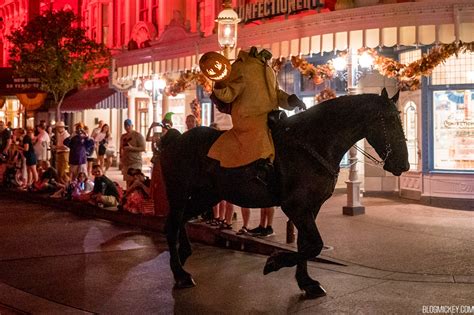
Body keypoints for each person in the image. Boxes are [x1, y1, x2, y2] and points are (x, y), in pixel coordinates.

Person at [204, 47, 305, 168]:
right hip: (249, 120)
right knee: (261, 140)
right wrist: (220, 82)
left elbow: (276, 93)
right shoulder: (240, 67)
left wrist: (290, 100)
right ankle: (256, 172)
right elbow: (228, 95)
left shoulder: (268, 69)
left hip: (273, 118)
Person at [147, 113, 173, 216]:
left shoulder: (171, 135)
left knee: (164, 185)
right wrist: (150, 128)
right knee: (156, 185)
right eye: (163, 124)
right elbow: (147, 139)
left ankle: (165, 209)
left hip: (165, 163)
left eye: (167, 124)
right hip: (157, 162)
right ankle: (157, 208)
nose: (164, 126)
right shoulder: (157, 135)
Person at [119, 119, 146, 189]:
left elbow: (143, 148)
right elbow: (121, 148)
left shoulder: (138, 135)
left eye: (128, 126)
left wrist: (131, 148)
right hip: (126, 162)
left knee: (135, 181)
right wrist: (121, 158)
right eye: (125, 126)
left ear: (132, 126)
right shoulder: (123, 136)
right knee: (128, 181)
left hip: (135, 161)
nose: (127, 127)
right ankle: (129, 197)